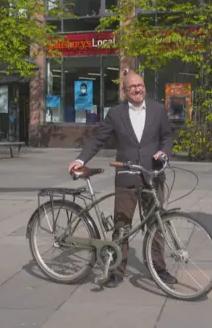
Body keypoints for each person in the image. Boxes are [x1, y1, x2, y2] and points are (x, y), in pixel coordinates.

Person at [68, 69, 176, 288]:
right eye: (132, 87)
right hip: (126, 175)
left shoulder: (157, 109)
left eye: (140, 85)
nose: (137, 89)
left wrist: (164, 153)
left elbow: (167, 137)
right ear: (125, 91)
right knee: (122, 224)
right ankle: (117, 270)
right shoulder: (116, 114)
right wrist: (81, 159)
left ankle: (159, 268)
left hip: (152, 175)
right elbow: (98, 139)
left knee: (156, 223)